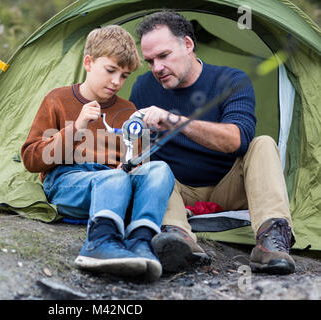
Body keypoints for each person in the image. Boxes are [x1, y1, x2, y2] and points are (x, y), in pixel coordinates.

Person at [130, 11, 296, 275]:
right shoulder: (143, 88)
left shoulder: (231, 80)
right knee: (149, 168)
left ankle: (271, 242)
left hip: (230, 187)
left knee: (262, 143)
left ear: (187, 45)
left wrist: (174, 120)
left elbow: (237, 140)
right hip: (177, 190)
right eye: (149, 61)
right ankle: (177, 238)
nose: (156, 68)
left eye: (163, 56)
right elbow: (135, 147)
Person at [21, 25, 174, 281]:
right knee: (113, 178)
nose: (117, 82)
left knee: (161, 169)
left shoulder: (128, 110)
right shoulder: (57, 100)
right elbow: (32, 159)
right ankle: (99, 243)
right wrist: (77, 127)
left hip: (117, 180)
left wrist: (135, 163)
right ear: (89, 63)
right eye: (111, 71)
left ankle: (141, 242)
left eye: (124, 76)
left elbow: (139, 163)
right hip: (69, 180)